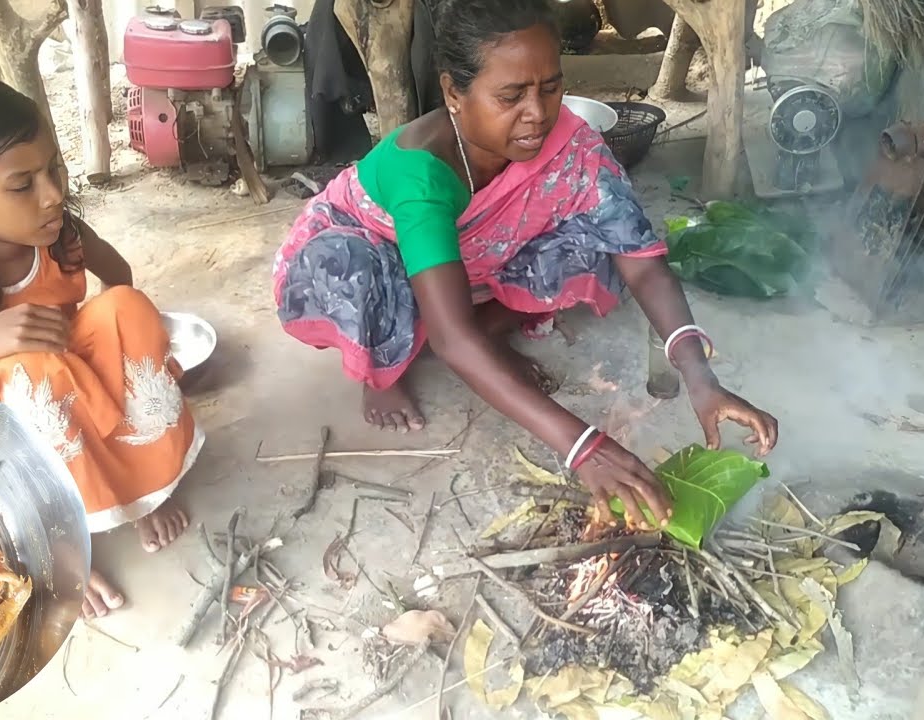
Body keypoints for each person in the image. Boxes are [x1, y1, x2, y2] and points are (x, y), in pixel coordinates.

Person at [273, 0, 779, 526]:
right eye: (511, 96)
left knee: (595, 243)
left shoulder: (572, 143)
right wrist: (583, 445)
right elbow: (452, 339)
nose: (537, 113)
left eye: (551, 87)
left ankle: (481, 333)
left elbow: (641, 260)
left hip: (468, 251)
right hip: (373, 250)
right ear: (453, 92)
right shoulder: (421, 172)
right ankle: (382, 370)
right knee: (368, 280)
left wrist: (699, 376)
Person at [0, 72, 202, 618]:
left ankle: (136, 491)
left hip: (68, 381)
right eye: (22, 183)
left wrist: (117, 356)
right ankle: (56, 542)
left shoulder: (55, 231)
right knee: (34, 369)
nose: (53, 193)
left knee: (124, 307)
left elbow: (118, 279)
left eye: (52, 168)